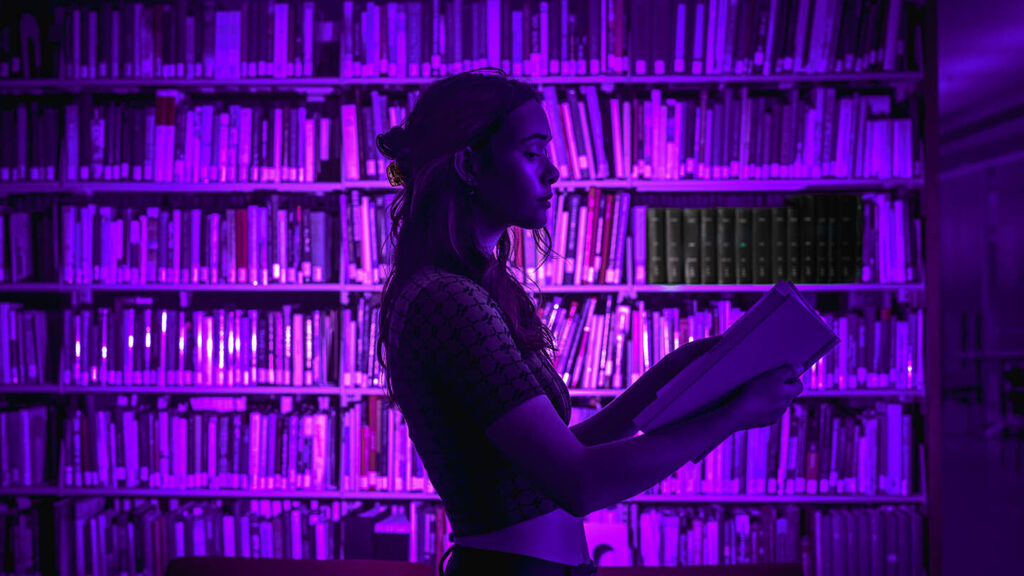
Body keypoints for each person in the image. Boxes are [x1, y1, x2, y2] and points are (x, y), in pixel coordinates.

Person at [374, 68, 803, 576]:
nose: (552, 172)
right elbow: (579, 483)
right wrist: (735, 414)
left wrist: (668, 376)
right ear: (470, 164)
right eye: (532, 153)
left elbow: (565, 449)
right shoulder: (447, 300)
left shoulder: (478, 289)